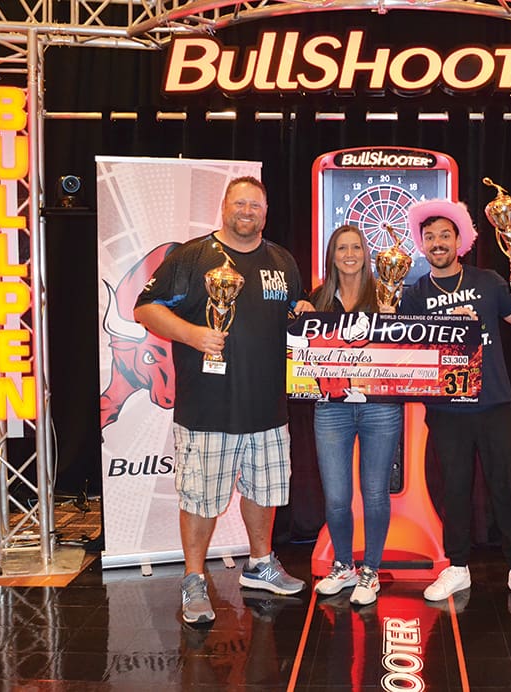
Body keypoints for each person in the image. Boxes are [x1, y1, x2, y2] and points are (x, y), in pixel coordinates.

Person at [134, 176, 314, 625]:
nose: (247, 212)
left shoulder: (282, 260)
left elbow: (293, 309)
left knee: (264, 490)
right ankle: (194, 578)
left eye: (255, 205)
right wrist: (192, 334)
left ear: (265, 212)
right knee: (200, 498)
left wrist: (304, 312)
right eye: (240, 204)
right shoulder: (192, 256)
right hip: (207, 407)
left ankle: (260, 565)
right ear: (225, 206)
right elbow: (146, 307)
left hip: (267, 406)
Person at [399, 198, 511, 610]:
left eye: (445, 235)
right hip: (446, 409)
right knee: (454, 488)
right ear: (422, 244)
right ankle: (457, 566)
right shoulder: (415, 294)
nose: (437, 243)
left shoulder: (487, 281)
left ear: (460, 240)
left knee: (505, 487)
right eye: (430, 237)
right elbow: (408, 356)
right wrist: (448, 333)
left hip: (494, 402)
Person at [303, 225, 403, 606]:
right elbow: (302, 351)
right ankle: (343, 565)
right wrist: (300, 316)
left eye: (356, 247)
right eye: (342, 248)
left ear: (366, 254)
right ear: (332, 255)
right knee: (336, 496)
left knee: (375, 492)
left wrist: (394, 320)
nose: (349, 254)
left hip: (380, 406)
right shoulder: (317, 299)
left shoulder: (386, 294)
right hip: (332, 408)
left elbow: (408, 349)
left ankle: (371, 571)